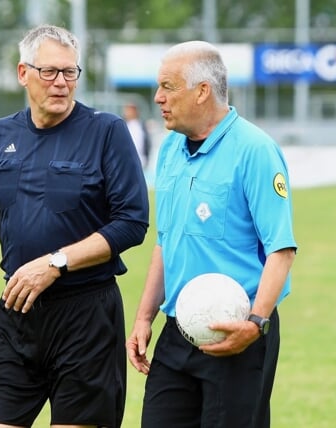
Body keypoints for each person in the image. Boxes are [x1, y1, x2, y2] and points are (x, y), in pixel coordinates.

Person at [0, 24, 149, 428]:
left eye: (70, 73)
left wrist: (55, 263)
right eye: (49, 72)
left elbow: (132, 222)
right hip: (17, 315)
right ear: (23, 73)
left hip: (87, 318)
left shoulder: (106, 132)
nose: (61, 83)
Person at [125, 41, 298, 428]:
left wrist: (255, 324)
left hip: (239, 331)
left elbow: (281, 249)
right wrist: (143, 317)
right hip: (178, 329)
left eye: (168, 87)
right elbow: (165, 241)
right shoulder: (170, 150)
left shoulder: (256, 150)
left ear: (202, 91)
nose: (158, 98)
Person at [122, 102, 151, 170]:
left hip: (141, 160)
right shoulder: (123, 125)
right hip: (126, 161)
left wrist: (146, 157)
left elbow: (146, 142)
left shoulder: (142, 125)